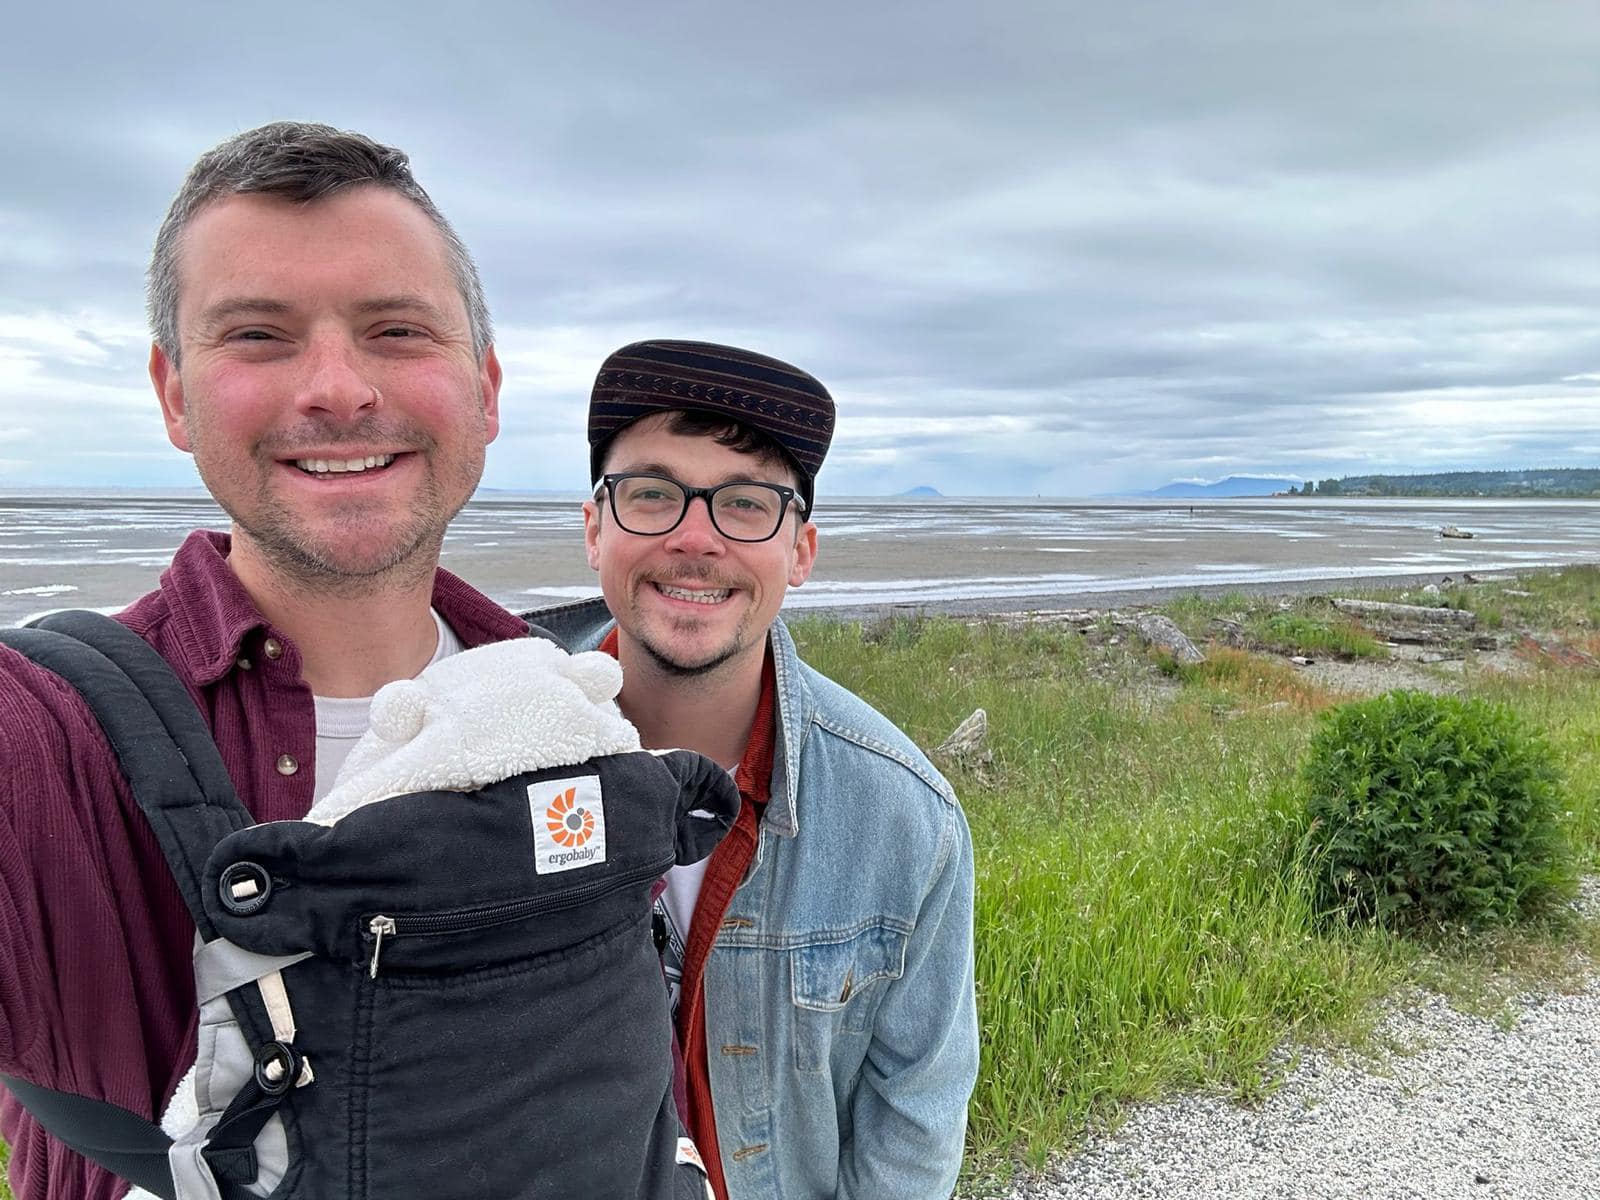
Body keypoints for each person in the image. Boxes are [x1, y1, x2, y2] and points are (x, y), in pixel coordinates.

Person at [0, 121, 522, 1200]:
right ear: (174, 393)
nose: (337, 389)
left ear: (486, 388)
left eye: (396, 330)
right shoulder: (46, 738)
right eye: (258, 335)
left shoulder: (565, 709)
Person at [531, 340, 979, 1199]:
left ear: (801, 552)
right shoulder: (489, 764)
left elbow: (915, 1119)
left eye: (744, 504)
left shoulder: (904, 820)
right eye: (653, 494)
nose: (695, 539)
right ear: (595, 527)